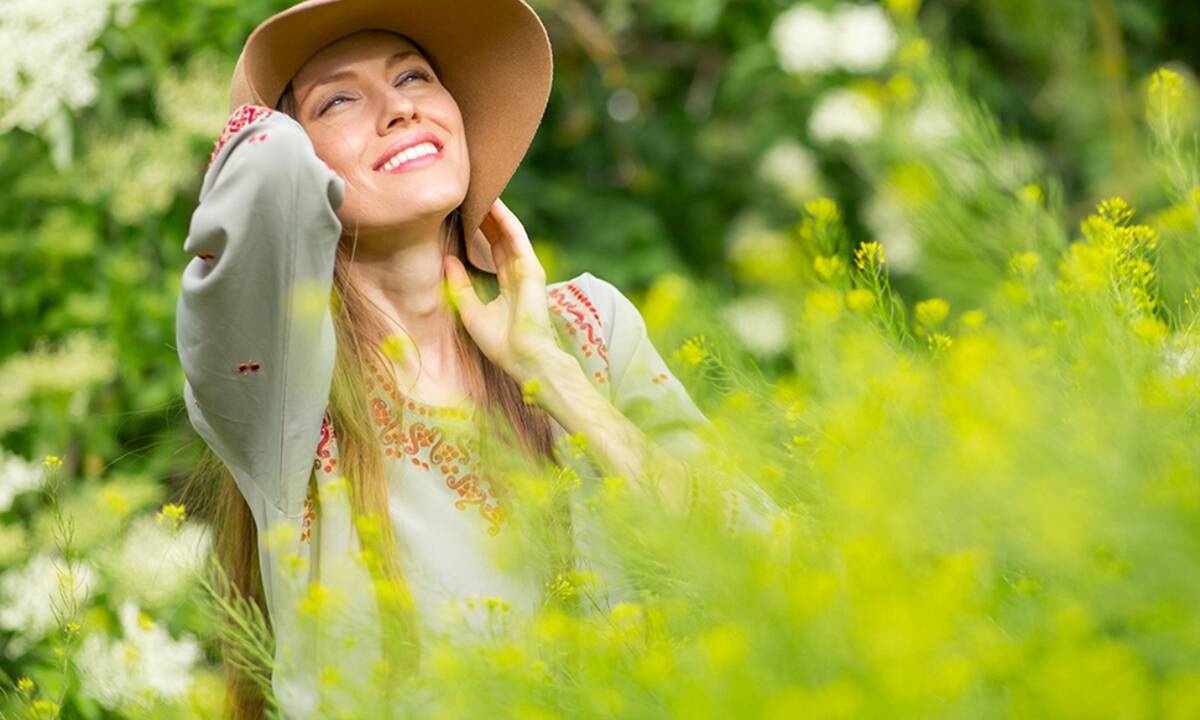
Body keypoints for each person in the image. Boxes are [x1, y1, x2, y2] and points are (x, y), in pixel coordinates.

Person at [176, 1, 774, 717]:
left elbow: (766, 561)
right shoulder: (283, 393)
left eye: (417, 78)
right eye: (339, 99)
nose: (399, 109)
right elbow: (265, 169)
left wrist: (549, 374)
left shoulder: (588, 330)